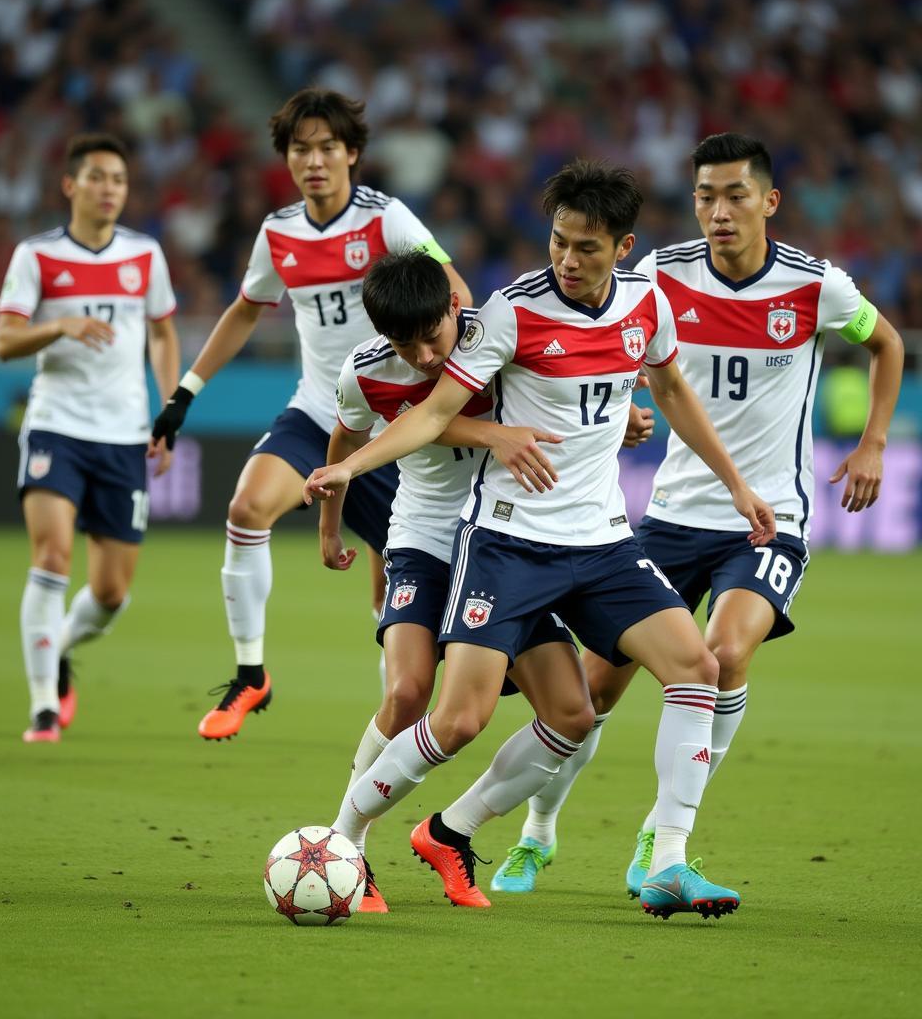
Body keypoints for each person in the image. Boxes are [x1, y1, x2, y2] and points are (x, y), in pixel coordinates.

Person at [305, 160, 776, 917]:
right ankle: (345, 835)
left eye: (586, 246)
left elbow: (672, 389)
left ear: (622, 247)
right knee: (454, 716)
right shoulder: (509, 313)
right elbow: (430, 415)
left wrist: (737, 485)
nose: (566, 258)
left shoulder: (646, 306)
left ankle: (665, 858)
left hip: (603, 542)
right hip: (507, 544)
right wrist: (349, 469)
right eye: (558, 241)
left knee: (691, 669)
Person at [488, 133, 905, 909]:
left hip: (768, 516)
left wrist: (874, 439)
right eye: (706, 195)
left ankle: (665, 838)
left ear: (769, 202)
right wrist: (628, 411)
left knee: (723, 653)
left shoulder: (817, 288)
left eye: (735, 195)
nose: (718, 211)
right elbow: (619, 346)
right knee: (591, 694)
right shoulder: (659, 274)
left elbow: (887, 343)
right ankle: (539, 829)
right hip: (669, 517)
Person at [148, 89, 471, 741]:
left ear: (352, 153)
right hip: (320, 408)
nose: (315, 160)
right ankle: (251, 674)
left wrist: (450, 390)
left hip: (389, 428)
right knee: (245, 510)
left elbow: (455, 293)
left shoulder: (388, 220)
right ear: (287, 159)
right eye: (302, 149)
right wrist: (184, 392)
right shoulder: (279, 233)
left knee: (391, 599)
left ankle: (395, 739)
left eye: (328, 147)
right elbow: (245, 309)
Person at [322, 249, 594, 911]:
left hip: (507, 545)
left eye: (430, 337)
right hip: (422, 539)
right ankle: (344, 847)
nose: (418, 355)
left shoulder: (500, 334)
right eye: (400, 342)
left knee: (573, 713)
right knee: (411, 689)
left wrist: (624, 419)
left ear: (454, 308)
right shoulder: (363, 373)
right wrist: (333, 526)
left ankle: (454, 831)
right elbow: (345, 440)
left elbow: (575, 386)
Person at [0, 132, 180, 743]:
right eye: (98, 177)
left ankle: (61, 646)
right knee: (50, 556)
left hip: (123, 435)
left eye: (119, 180)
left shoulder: (145, 255)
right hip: (56, 426)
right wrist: (61, 325)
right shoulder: (37, 256)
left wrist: (170, 407)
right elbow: (4, 341)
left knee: (110, 591)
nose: (109, 189)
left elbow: (161, 333)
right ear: (70, 185)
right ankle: (44, 705)